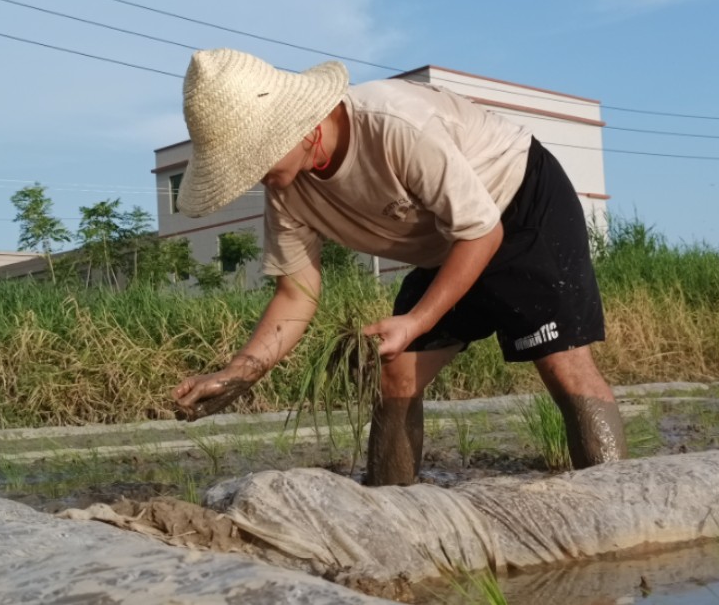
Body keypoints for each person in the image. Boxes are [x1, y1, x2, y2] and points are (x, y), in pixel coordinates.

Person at [171, 48, 627, 485]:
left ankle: (614, 497)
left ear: (298, 127)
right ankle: (392, 506)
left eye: (254, 159)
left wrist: (416, 320)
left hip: (517, 202)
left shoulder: (394, 124)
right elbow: (296, 294)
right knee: (397, 370)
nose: (253, 176)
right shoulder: (286, 193)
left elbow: (482, 232)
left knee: (560, 361)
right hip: (448, 243)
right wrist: (240, 372)